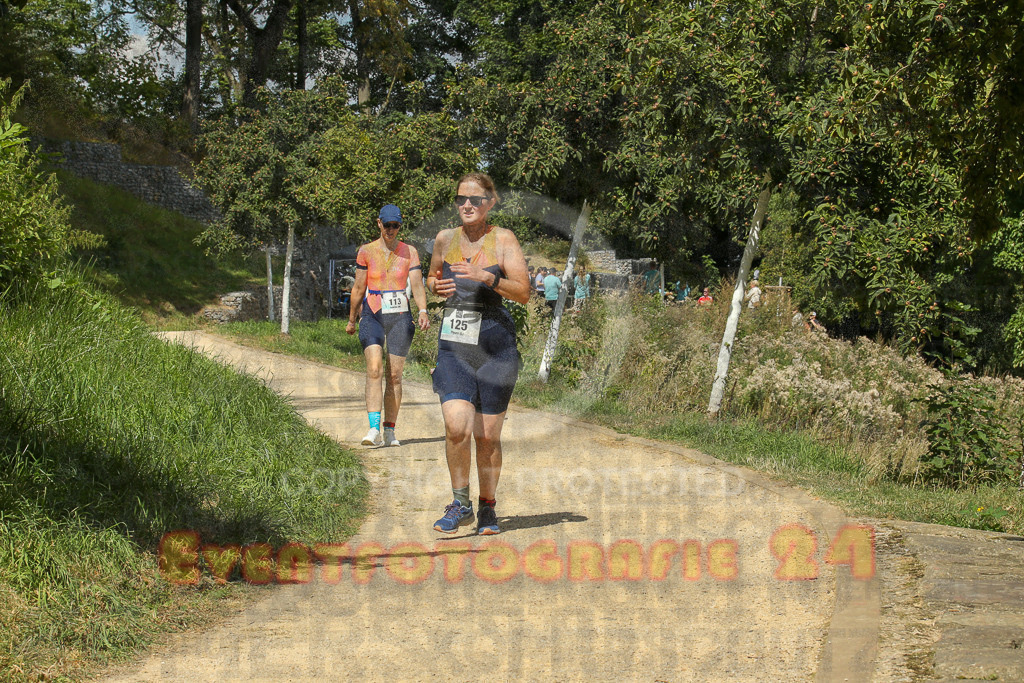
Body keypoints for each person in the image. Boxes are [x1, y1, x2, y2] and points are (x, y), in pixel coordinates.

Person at [426, 173, 531, 535]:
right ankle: (460, 503)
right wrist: (435, 285)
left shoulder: (503, 239)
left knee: (486, 437)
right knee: (457, 426)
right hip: (455, 341)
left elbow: (523, 293)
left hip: (494, 342)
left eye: (475, 199)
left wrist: (487, 277)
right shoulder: (445, 239)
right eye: (461, 199)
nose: (467, 205)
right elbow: (432, 277)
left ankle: (487, 507)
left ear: (490, 202)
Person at [346, 204, 430, 447]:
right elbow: (358, 288)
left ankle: (390, 430)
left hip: (399, 316)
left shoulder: (409, 252)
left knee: (394, 376)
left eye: (396, 226)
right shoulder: (366, 251)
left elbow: (417, 284)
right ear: (379, 223)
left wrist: (423, 310)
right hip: (372, 313)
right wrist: (351, 319)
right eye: (387, 225)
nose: (391, 230)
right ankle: (373, 429)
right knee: (374, 369)